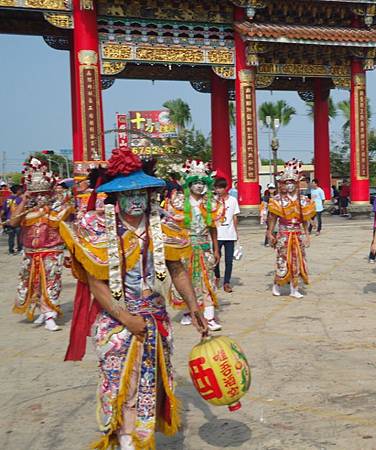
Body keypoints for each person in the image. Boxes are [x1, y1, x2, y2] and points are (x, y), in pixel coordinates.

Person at [59, 149, 209, 449]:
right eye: (129, 194)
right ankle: (125, 439)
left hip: (155, 316)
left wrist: (195, 308)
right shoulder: (98, 227)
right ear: (116, 198)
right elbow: (95, 281)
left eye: (142, 192)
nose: (137, 199)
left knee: (149, 383)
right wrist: (126, 318)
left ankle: (140, 438)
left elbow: (177, 268)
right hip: (117, 320)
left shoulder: (162, 223)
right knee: (120, 384)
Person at [11, 158, 71, 331]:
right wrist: (24, 200)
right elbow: (13, 222)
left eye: (43, 194)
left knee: (51, 282)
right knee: (32, 283)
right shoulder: (26, 207)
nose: (39, 197)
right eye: (36, 194)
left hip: (51, 251)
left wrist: (49, 206)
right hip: (30, 252)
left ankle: (49, 315)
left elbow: (62, 219)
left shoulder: (57, 206)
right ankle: (41, 311)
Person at [165, 161, 223, 330]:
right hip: (184, 248)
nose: (199, 186)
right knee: (186, 280)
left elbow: (213, 229)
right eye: (196, 182)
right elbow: (172, 227)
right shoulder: (178, 203)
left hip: (204, 248)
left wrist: (216, 248)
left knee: (208, 282)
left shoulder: (210, 203)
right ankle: (187, 312)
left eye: (202, 183)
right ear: (189, 184)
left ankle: (209, 316)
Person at [267, 159, 316, 298]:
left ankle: (294, 289)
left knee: (298, 260)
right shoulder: (277, 200)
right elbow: (273, 218)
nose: (289, 185)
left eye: (291, 182)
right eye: (286, 182)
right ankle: (277, 284)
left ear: (296, 183)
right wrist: (270, 233)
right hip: (283, 233)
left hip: (297, 233)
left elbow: (305, 220)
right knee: (283, 260)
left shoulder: (303, 200)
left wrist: (307, 235)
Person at [214, 176, 240, 293]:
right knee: (215, 259)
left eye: (220, 188)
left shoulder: (233, 200)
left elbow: (234, 217)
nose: (218, 190)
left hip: (229, 235)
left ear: (226, 188)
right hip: (217, 235)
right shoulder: (213, 201)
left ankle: (227, 282)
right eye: (216, 188)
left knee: (229, 260)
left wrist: (236, 232)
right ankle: (216, 277)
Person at [2, 184, 24, 255]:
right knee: (19, 236)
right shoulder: (20, 199)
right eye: (21, 190)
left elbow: (3, 211)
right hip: (17, 221)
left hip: (9, 220)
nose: (22, 191)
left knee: (11, 237)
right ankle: (19, 249)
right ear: (18, 191)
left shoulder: (7, 199)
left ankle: (11, 250)